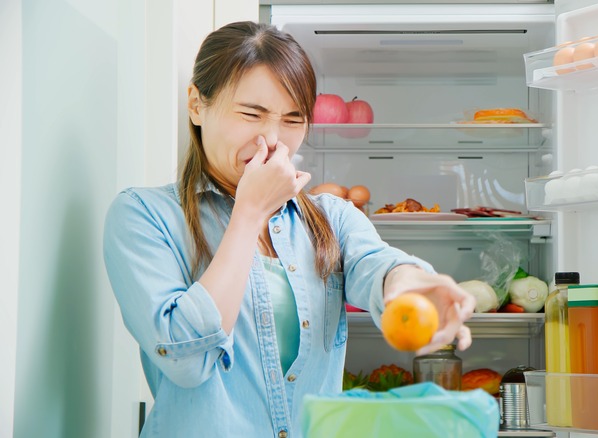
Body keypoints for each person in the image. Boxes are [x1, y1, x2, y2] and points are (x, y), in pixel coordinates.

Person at [103, 21, 476, 437]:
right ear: (196, 104)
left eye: (293, 120)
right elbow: (186, 361)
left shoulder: (331, 217)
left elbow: (379, 265)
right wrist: (249, 212)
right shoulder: (143, 216)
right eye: (251, 114)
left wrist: (411, 286)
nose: (272, 140)